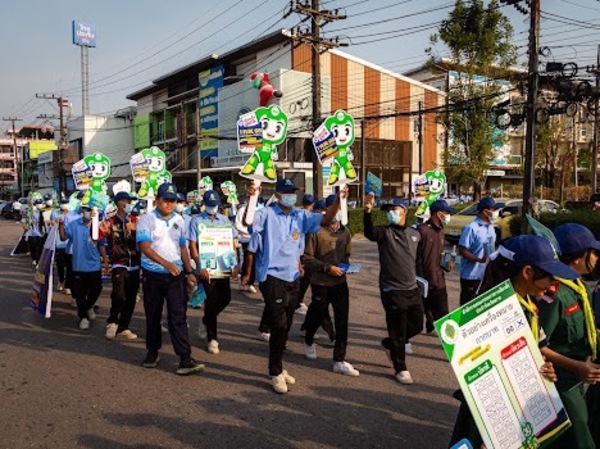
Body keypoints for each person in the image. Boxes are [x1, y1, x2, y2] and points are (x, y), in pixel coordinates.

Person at [449, 235, 578, 448]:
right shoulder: (492, 313)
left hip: (516, 407)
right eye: (549, 277)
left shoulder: (528, 306)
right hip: (490, 415)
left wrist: (542, 368)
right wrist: (489, 437)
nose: (553, 286)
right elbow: (485, 376)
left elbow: (533, 349)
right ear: (527, 272)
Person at [242, 178, 343, 394]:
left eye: (293, 192)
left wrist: (339, 200)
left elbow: (326, 218)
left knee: (286, 325)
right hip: (272, 276)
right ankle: (275, 372)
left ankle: (278, 366)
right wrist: (252, 196)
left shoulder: (300, 215)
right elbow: (248, 221)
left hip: (293, 276)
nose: (291, 196)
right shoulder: (267, 213)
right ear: (278, 195)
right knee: (279, 324)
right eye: (287, 192)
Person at [538, 223, 600, 449]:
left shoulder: (578, 285)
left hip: (578, 378)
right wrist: (578, 367)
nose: (597, 259)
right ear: (578, 256)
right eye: (593, 253)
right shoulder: (555, 294)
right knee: (582, 440)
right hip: (561, 382)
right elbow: (538, 345)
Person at [136, 182, 204, 375]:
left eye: (173, 200)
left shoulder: (179, 220)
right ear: (157, 199)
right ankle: (152, 352)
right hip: (153, 275)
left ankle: (184, 358)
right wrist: (165, 264)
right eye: (165, 200)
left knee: (178, 316)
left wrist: (189, 271)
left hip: (175, 276)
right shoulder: (146, 220)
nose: (169, 204)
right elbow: (145, 247)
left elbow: (182, 247)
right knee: (153, 315)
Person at [364, 195, 422, 385]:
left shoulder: (415, 234)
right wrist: (367, 212)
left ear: (405, 211)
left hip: (412, 288)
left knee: (417, 325)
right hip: (392, 289)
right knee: (397, 329)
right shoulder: (385, 232)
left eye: (394, 210)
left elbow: (417, 259)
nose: (391, 213)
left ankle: (391, 344)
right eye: (388, 211)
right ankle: (400, 367)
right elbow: (370, 233)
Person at [302, 194, 358, 377]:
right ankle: (308, 340)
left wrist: (346, 268)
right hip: (321, 282)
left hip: (340, 283)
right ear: (326, 210)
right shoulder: (316, 231)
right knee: (317, 314)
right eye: (333, 208)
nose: (336, 212)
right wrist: (327, 268)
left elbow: (346, 256)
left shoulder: (345, 232)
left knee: (342, 320)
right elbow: (306, 257)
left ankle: (339, 360)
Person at [189, 190, 238, 355]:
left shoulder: (224, 220)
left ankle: (205, 320)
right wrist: (200, 266)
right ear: (204, 205)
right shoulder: (196, 220)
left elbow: (232, 243)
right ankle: (212, 339)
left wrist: (235, 263)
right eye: (210, 205)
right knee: (210, 301)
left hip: (223, 266)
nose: (213, 207)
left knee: (226, 298)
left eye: (215, 205)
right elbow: (192, 245)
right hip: (206, 268)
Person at [98, 191, 140, 341]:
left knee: (131, 297)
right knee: (118, 294)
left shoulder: (136, 221)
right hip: (119, 263)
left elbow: (146, 239)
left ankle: (124, 326)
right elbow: (97, 236)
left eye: (130, 202)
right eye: (126, 201)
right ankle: (113, 322)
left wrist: (135, 230)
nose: (129, 204)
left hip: (135, 264)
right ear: (118, 203)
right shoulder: (110, 222)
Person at [58, 205, 103, 330]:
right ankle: (83, 317)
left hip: (94, 264)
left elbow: (102, 245)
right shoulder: (74, 224)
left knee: (96, 289)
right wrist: (60, 225)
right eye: (86, 210)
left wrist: (105, 261)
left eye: (90, 210)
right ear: (82, 211)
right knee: (79, 293)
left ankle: (88, 306)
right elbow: (63, 237)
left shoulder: (98, 225)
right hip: (78, 264)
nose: (88, 212)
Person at [417, 199, 455, 333]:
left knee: (443, 312)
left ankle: (446, 335)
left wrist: (447, 264)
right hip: (425, 280)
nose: (449, 216)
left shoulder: (440, 231)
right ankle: (432, 327)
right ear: (439, 214)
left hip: (439, 279)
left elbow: (439, 255)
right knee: (428, 309)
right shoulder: (422, 231)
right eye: (447, 213)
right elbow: (415, 257)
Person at [458, 196, 504, 305]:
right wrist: (478, 259)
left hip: (486, 275)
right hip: (472, 276)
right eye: (494, 210)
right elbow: (462, 250)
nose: (496, 212)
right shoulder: (471, 228)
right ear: (485, 212)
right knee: (469, 308)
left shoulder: (491, 227)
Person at [234, 198, 258, 294]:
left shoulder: (257, 210)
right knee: (247, 260)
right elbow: (238, 225)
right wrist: (248, 232)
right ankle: (244, 280)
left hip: (255, 239)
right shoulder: (242, 210)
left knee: (254, 260)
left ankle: (251, 282)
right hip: (245, 239)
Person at [50, 199, 70, 292]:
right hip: (59, 244)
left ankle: (68, 285)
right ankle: (61, 280)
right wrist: (54, 223)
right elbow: (51, 226)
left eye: (65, 203)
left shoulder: (72, 214)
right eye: (62, 203)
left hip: (70, 245)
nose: (64, 205)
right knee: (60, 265)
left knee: (70, 266)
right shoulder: (55, 213)